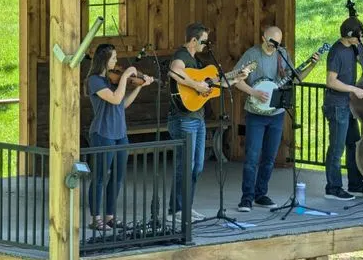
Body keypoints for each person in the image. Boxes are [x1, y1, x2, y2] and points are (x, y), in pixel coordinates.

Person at [167, 23, 249, 221]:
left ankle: (186, 207)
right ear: (194, 40)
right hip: (183, 118)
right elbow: (174, 72)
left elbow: (211, 87)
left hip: (198, 117)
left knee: (197, 166)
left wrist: (236, 79)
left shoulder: (197, 61)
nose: (206, 44)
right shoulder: (182, 55)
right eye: (204, 41)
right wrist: (196, 84)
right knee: (185, 165)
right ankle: (176, 210)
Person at [233, 26, 319, 212]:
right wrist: (254, 92)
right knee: (252, 157)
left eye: (278, 43)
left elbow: (293, 79)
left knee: (270, 157)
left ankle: (260, 194)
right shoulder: (252, 54)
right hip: (256, 114)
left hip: (276, 114)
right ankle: (246, 198)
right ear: (263, 37)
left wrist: (312, 64)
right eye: (272, 41)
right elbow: (235, 79)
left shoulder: (282, 54)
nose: (274, 45)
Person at [86, 43, 153, 231]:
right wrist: (125, 76)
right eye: (113, 58)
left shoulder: (112, 79)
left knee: (117, 177)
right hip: (102, 132)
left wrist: (140, 86)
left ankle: (109, 216)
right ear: (104, 60)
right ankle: (96, 218)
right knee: (99, 176)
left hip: (120, 133)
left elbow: (122, 104)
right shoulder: (95, 81)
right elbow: (114, 98)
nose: (116, 62)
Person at [323, 17, 363, 201]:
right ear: (348, 35)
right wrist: (354, 89)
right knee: (337, 149)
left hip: (349, 105)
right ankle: (333, 187)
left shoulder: (353, 48)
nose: (358, 40)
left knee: (353, 145)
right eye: (357, 37)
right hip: (337, 105)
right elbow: (331, 81)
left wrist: (362, 48)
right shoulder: (337, 52)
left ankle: (355, 183)